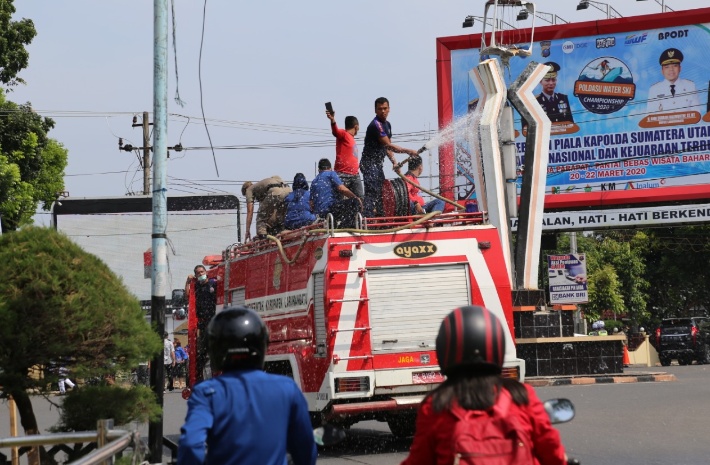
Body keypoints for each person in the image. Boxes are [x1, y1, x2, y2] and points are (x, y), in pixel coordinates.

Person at [401, 305, 567, 465]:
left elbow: (419, 460)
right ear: (498, 346)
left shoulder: (436, 406)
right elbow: (551, 450)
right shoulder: (521, 396)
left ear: (444, 350)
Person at [177, 306, 317, 465]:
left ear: (216, 349)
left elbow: (190, 445)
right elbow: (305, 448)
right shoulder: (286, 388)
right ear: (261, 345)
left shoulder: (207, 392)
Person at [360, 97, 420, 218]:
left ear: (389, 109)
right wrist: (408, 151)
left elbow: (386, 148)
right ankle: (368, 219)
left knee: (382, 192)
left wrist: (394, 162)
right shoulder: (376, 125)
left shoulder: (387, 125)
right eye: (380, 109)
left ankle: (380, 219)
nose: (383, 111)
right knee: (372, 192)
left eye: (385, 108)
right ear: (375, 110)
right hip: (369, 164)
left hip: (377, 164)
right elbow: (388, 145)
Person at [185, 265, 217, 383]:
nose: (200, 274)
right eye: (198, 273)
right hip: (203, 325)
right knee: (201, 354)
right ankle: (199, 380)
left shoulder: (214, 284)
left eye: (202, 272)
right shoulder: (197, 286)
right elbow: (188, 296)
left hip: (215, 323)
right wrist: (187, 282)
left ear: (206, 272)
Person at [646, 48, 701, 114]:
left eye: (675, 66)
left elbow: (697, 114)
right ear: (662, 71)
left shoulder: (690, 86)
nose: (671, 69)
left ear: (680, 68)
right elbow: (649, 117)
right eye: (667, 67)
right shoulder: (654, 89)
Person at [311, 158, 362, 228]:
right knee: (354, 202)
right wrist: (356, 198)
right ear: (330, 168)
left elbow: (311, 204)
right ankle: (346, 226)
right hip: (331, 210)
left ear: (319, 170)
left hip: (320, 215)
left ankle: (336, 224)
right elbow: (342, 189)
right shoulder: (331, 174)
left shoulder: (314, 181)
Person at [326, 109, 364, 199]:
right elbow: (336, 132)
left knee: (360, 198)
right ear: (356, 126)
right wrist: (332, 120)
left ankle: (358, 212)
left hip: (355, 174)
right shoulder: (344, 134)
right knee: (338, 199)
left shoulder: (352, 139)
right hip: (342, 174)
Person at [241, 176, 292, 241]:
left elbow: (250, 211)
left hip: (275, 192)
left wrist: (247, 230)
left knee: (261, 219)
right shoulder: (262, 188)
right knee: (280, 217)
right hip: (288, 190)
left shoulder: (249, 189)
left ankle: (263, 240)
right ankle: (283, 234)